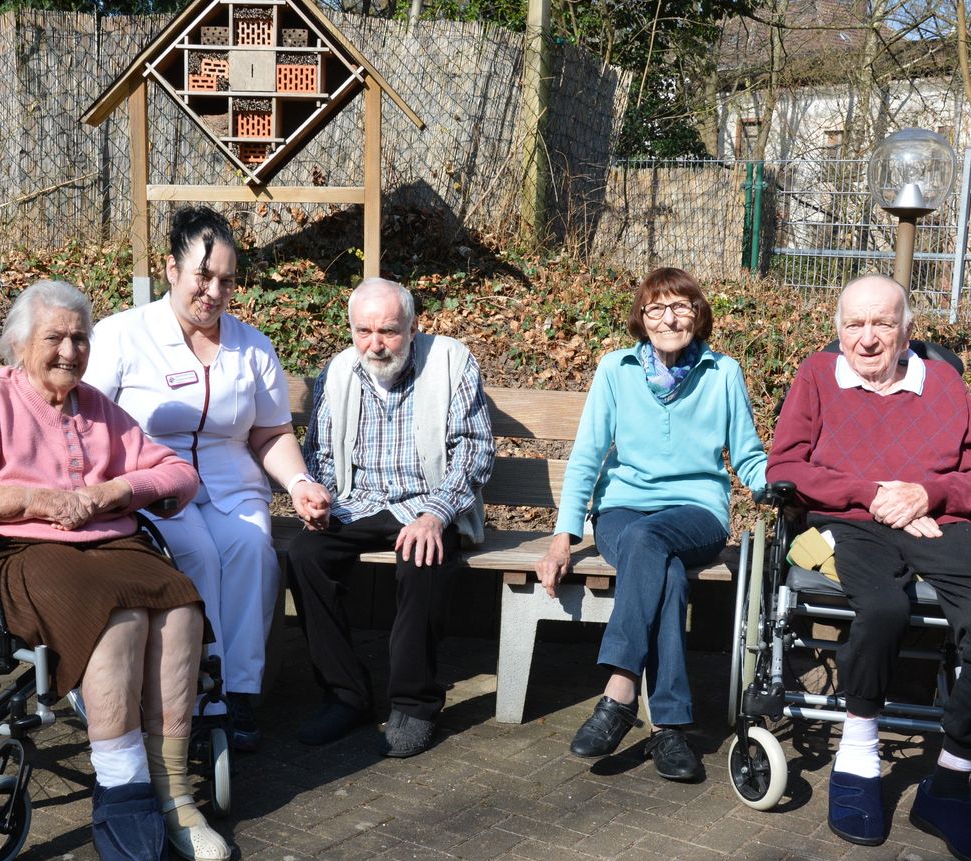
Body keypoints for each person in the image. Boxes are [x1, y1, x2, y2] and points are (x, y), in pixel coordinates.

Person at [0, 280, 232, 861]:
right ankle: (122, 790)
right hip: (23, 551)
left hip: (113, 542)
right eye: (55, 337)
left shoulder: (97, 406)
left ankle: (175, 794)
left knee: (180, 605)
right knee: (117, 618)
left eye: (80, 337)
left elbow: (176, 473)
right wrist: (22, 499)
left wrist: (114, 490)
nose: (70, 350)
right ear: (20, 345)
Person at [766, 274, 971, 861]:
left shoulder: (943, 383)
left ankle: (950, 781)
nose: (867, 338)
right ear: (838, 330)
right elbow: (786, 465)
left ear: (908, 330)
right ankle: (857, 755)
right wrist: (874, 494)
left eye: (882, 323)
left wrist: (924, 494)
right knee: (883, 608)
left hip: (938, 522)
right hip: (853, 521)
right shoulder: (816, 377)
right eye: (854, 324)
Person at [85, 207, 332, 753]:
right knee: (196, 555)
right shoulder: (122, 336)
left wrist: (297, 483)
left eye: (227, 280)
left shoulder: (251, 346)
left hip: (230, 481)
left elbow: (270, 435)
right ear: (171, 269)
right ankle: (200, 696)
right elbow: (88, 421)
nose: (214, 292)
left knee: (251, 551)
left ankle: (238, 693)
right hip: (152, 483)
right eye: (204, 276)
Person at [535, 267, 768, 782]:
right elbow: (588, 457)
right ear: (642, 317)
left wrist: (777, 482)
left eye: (681, 306)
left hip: (697, 513)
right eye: (657, 308)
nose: (669, 318)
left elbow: (748, 457)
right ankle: (670, 728)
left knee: (651, 541)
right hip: (622, 511)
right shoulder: (615, 370)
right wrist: (562, 540)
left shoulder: (722, 373)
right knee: (660, 569)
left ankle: (618, 694)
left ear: (698, 314)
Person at [288, 277, 494, 758]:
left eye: (388, 332)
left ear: (413, 325)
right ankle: (345, 696)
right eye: (363, 331)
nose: (375, 345)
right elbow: (318, 450)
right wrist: (317, 495)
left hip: (428, 502)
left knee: (421, 556)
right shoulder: (340, 370)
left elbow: (476, 450)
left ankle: (415, 703)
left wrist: (435, 514)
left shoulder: (450, 361)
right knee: (305, 554)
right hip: (358, 502)